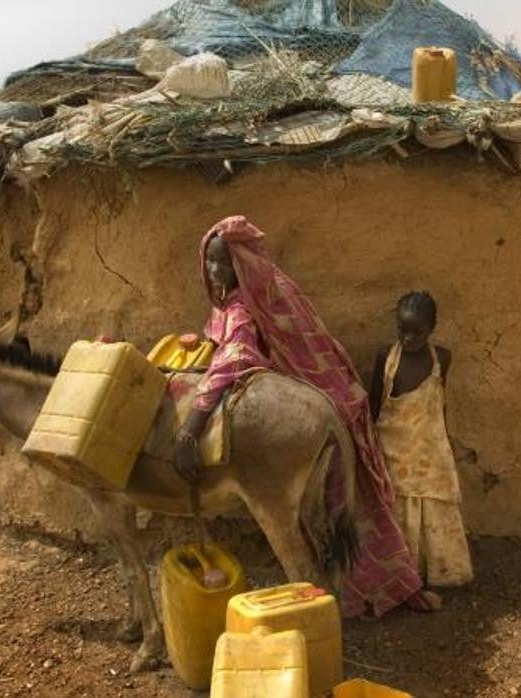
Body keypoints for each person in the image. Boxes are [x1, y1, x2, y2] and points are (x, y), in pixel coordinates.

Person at [174, 215, 438, 617]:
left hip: (328, 397)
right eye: (209, 261)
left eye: (223, 263)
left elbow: (236, 357)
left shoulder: (246, 304)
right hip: (321, 390)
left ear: (240, 264)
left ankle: (380, 586)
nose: (215, 270)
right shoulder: (246, 292)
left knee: (351, 506)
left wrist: (193, 425)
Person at [368, 291, 473, 587]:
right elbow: (374, 405)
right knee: (396, 510)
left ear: (432, 329)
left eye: (418, 332)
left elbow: (439, 403)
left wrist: (444, 441)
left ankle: (437, 573)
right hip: (393, 451)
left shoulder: (441, 358)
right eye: (402, 330)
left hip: (430, 453)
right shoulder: (385, 358)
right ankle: (399, 575)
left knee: (434, 511)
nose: (408, 338)